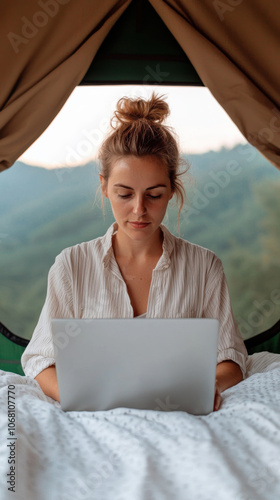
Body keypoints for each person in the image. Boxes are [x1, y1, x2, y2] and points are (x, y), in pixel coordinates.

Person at [21, 93, 248, 411]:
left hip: (180, 416)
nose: (139, 210)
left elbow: (232, 358)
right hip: (93, 417)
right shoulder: (72, 265)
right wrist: (87, 398)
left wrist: (204, 387)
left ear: (171, 189)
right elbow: (40, 360)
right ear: (104, 186)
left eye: (154, 194)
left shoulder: (204, 266)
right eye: (124, 194)